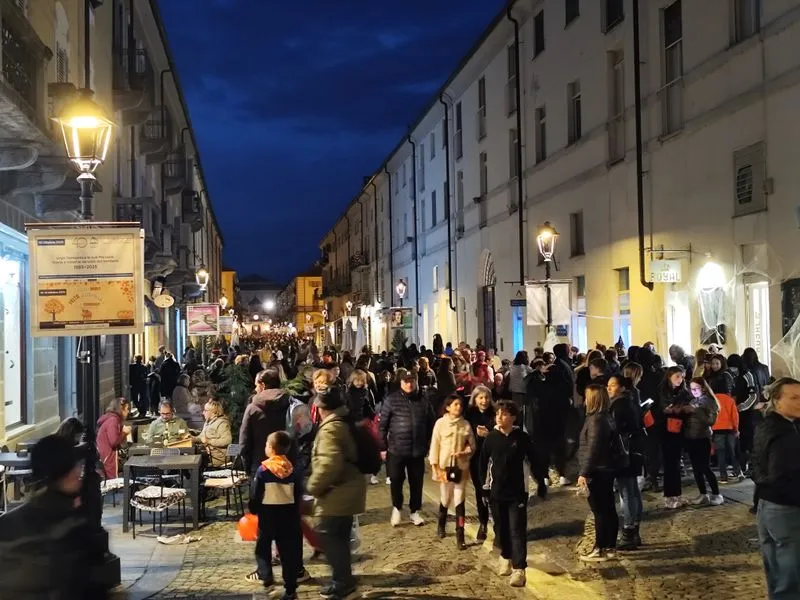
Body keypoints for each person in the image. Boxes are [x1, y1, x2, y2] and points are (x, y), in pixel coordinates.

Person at [0, 435, 95, 598]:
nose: (79, 472)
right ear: (68, 473)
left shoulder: (7, 523)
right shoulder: (73, 529)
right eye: (76, 466)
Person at [307, 389, 366, 600]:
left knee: (327, 534)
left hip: (338, 492)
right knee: (338, 537)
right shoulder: (342, 421)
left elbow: (329, 463)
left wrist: (312, 487)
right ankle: (343, 580)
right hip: (346, 490)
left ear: (323, 409)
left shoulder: (331, 428)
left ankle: (343, 583)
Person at [478, 400, 535, 587]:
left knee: (517, 530)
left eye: (503, 414)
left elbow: (533, 460)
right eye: (497, 414)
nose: (499, 417)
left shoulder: (522, 438)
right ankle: (505, 556)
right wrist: (484, 489)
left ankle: (520, 569)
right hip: (496, 492)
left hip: (517, 493)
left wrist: (540, 481)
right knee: (501, 529)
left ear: (513, 417)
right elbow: (484, 464)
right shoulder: (491, 438)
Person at [753, 377, 800, 599]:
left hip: (766, 505)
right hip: (786, 508)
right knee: (791, 573)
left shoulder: (767, 424)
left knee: (775, 570)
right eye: (794, 397)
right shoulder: (785, 433)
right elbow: (782, 475)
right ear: (777, 401)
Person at [246, 431, 303, 600]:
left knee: (262, 548)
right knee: (288, 553)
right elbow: (299, 493)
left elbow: (256, 494)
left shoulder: (263, 470)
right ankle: (291, 588)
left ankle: (267, 579)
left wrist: (253, 508)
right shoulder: (293, 469)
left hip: (268, 515)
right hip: (289, 517)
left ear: (270, 448)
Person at [379, 371, 435, 527]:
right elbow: (383, 425)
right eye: (406, 381)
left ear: (416, 381)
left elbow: (431, 423)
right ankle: (397, 507)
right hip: (396, 449)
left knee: (416, 482)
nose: (409, 384)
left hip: (417, 450)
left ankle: (414, 510)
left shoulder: (424, 400)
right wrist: (383, 446)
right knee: (396, 479)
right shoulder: (391, 400)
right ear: (401, 382)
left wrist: (429, 443)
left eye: (412, 381)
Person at [577, 384, 619, 563]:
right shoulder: (606, 417)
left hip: (598, 471)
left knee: (600, 510)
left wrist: (584, 473)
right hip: (606, 469)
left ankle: (600, 547)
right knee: (608, 509)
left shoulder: (595, 420)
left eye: (587, 397)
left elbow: (593, 450)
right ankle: (609, 546)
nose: (584, 400)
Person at [429, 393, 476, 550]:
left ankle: (460, 535)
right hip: (445, 467)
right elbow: (435, 444)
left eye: (460, 405)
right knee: (445, 498)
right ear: (448, 407)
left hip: (461, 466)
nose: (458, 407)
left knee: (459, 499)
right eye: (455, 404)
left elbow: (472, 446)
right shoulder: (440, 424)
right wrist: (434, 464)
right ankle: (441, 524)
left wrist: (465, 452)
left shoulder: (466, 424)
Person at [607, 376, 644, 550]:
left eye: (613, 385)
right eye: (608, 385)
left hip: (624, 452)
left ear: (621, 387)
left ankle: (629, 531)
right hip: (634, 450)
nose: (609, 388)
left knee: (627, 492)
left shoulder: (619, 404)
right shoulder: (631, 400)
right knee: (633, 491)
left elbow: (615, 429)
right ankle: (634, 529)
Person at [239, 368, 293, 474]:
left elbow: (244, 441)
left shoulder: (252, 408)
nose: (255, 389)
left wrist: (247, 467)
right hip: (287, 465)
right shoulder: (291, 404)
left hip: (260, 466)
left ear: (263, 385)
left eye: (256, 385)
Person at [684, 377, 723, 506]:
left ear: (704, 388)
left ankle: (716, 494)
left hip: (703, 437)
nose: (694, 391)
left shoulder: (710, 402)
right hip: (690, 438)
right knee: (696, 468)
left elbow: (711, 421)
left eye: (696, 388)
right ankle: (703, 493)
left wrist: (695, 411)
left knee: (705, 467)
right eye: (692, 389)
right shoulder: (693, 401)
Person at [465, 385, 497, 542]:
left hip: (494, 457)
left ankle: (498, 524)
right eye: (480, 398)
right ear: (475, 399)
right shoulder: (469, 414)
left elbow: (501, 433)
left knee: (495, 490)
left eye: (486, 397)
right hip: (477, 458)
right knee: (480, 491)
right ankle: (483, 524)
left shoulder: (496, 413)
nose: (484, 401)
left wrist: (488, 435)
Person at [96, 397, 132, 478]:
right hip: (108, 457)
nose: (128, 411)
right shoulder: (113, 420)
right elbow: (114, 441)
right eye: (127, 409)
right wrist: (124, 432)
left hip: (108, 455)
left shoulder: (114, 420)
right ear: (120, 409)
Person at [195, 399, 233, 467]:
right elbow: (201, 438)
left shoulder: (222, 423)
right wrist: (191, 439)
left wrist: (209, 441)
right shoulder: (207, 423)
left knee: (194, 462)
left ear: (213, 412)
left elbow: (227, 440)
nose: (203, 413)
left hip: (217, 458)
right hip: (208, 455)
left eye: (205, 410)